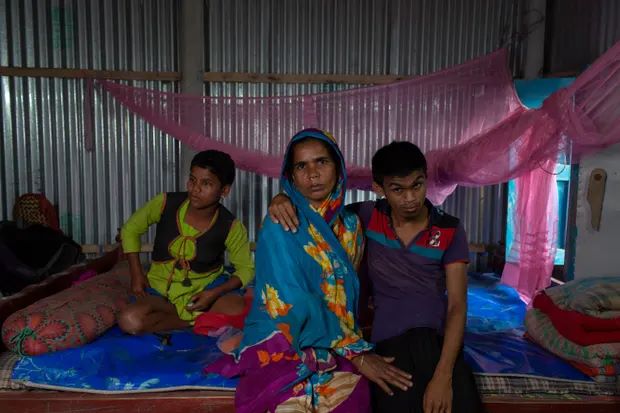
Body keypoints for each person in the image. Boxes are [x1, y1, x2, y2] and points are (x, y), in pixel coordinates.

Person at [207, 129, 412, 413]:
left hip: (336, 338)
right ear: (291, 176)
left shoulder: (351, 227)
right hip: (286, 337)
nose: (312, 174)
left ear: (338, 167)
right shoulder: (279, 224)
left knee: (355, 395)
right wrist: (355, 354)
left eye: (321, 162)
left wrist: (349, 348)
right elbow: (290, 303)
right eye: (301, 166)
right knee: (289, 398)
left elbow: (347, 298)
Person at [268, 141, 482, 413]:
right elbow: (316, 213)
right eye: (397, 189)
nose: (410, 198)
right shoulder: (365, 217)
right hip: (387, 343)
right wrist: (282, 198)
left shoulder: (449, 229)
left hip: (438, 344)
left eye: (417, 185)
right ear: (379, 189)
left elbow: (457, 306)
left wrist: (443, 376)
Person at [118, 150, 254, 335]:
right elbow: (130, 229)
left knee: (237, 306)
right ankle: (192, 322)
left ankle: (181, 320)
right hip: (161, 293)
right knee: (129, 320)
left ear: (224, 190)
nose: (195, 189)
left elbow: (246, 269)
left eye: (206, 183)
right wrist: (136, 273)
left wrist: (213, 293)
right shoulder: (165, 203)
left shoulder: (231, 226)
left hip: (204, 294)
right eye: (192, 180)